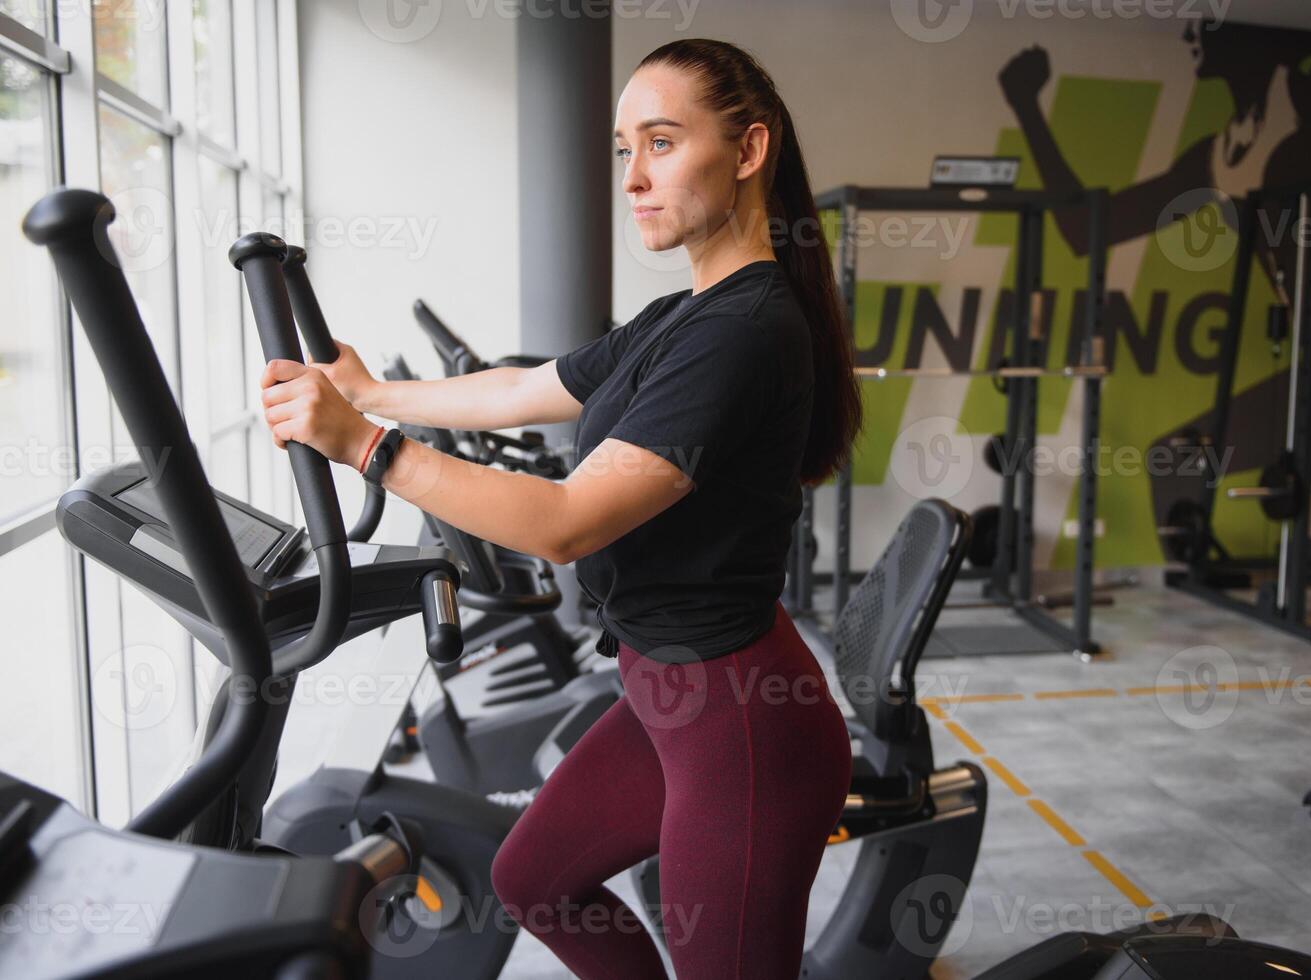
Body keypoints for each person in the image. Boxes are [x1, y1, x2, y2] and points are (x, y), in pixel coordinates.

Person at [256, 37, 861, 980]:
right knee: (536, 879)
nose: (634, 176)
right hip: (669, 699)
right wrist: (373, 394)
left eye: (661, 142)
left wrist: (365, 450)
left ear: (748, 151)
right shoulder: (683, 316)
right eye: (626, 150)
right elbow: (519, 391)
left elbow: (568, 521)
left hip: (737, 728)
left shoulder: (743, 333)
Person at [998, 21, 1311, 543]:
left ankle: (1187, 605)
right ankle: (1207, 586)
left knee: (1174, 459)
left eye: (1205, 22)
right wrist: (1026, 107)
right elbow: (1086, 228)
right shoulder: (1217, 156)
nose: (1188, 33)